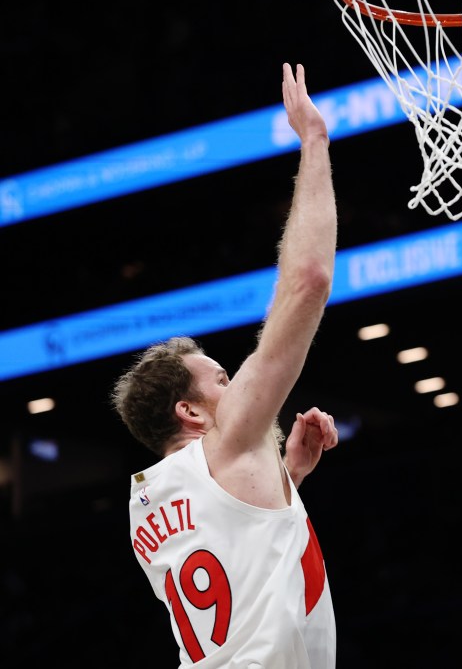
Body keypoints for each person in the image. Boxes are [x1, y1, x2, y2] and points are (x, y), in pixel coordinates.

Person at [113, 63, 340, 669]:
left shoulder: (144, 509)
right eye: (221, 380)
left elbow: (233, 550)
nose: (237, 386)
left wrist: (283, 476)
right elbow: (309, 282)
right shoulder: (230, 438)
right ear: (189, 413)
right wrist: (314, 141)